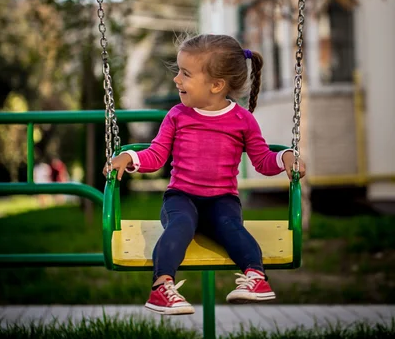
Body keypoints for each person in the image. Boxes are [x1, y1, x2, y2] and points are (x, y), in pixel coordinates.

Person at [104, 33, 306, 316]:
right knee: (180, 226)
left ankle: (256, 278)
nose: (177, 80)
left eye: (185, 74)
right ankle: (162, 287)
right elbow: (157, 154)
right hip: (181, 198)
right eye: (178, 72)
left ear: (216, 85)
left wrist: (284, 157)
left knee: (232, 228)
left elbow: (261, 160)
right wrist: (130, 158)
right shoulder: (177, 115)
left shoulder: (242, 120)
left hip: (222, 200)